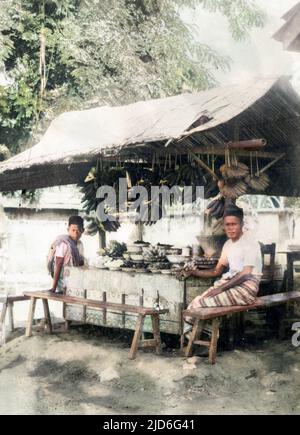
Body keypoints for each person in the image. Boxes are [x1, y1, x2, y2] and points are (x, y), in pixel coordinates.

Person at [181, 205, 262, 336]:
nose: (230, 228)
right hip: (230, 283)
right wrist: (193, 272)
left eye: (233, 224)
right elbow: (216, 272)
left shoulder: (250, 242)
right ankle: (196, 338)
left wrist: (220, 289)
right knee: (196, 302)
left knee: (202, 303)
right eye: (227, 225)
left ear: (241, 223)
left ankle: (206, 338)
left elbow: (246, 272)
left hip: (247, 288)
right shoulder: (228, 244)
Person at [47, 216, 85, 294]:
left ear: (83, 231)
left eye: (79, 230)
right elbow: (58, 264)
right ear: (68, 230)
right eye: (73, 230)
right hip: (62, 281)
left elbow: (81, 263)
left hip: (74, 279)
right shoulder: (63, 244)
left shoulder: (80, 244)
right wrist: (53, 287)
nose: (76, 233)